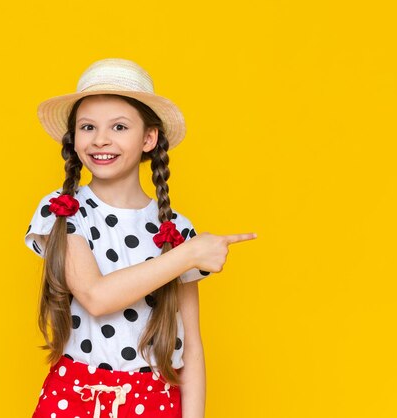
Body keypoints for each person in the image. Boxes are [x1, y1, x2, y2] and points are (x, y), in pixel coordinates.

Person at [24, 58, 257, 418]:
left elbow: (191, 347)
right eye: (88, 127)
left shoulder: (175, 230)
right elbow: (96, 297)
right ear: (74, 139)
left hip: (153, 401)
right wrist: (189, 255)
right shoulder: (64, 210)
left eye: (119, 126)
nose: (101, 139)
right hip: (75, 398)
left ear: (149, 138)